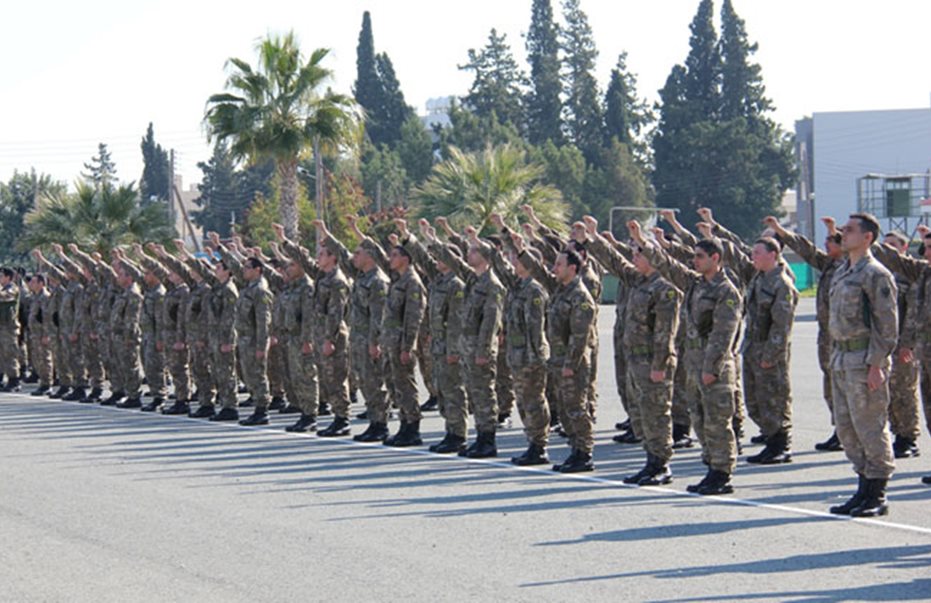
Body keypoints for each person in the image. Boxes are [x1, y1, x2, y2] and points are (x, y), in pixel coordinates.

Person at [639, 230, 743, 495]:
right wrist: (643, 243)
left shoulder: (726, 291)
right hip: (694, 363)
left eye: (699, 257)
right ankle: (711, 468)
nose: (694, 261)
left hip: (714, 367)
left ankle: (722, 472)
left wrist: (711, 368)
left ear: (715, 258)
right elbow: (668, 266)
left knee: (717, 422)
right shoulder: (696, 284)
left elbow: (723, 334)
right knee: (699, 418)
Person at [585, 218, 681, 485]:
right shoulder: (637, 280)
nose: (634, 257)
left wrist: (659, 365)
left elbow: (665, 332)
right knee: (642, 413)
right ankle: (650, 460)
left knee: (657, 413)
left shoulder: (665, 288)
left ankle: (661, 464)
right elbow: (614, 261)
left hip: (653, 361)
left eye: (640, 253)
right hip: (635, 359)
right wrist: (593, 238)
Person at [827, 213, 898, 517]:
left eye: (851, 230)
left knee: (870, 426)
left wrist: (877, 365)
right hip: (842, 359)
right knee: (847, 428)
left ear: (868, 237)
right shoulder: (844, 271)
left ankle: (877, 493)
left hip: (864, 360)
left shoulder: (875, 274)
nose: (843, 233)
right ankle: (863, 486)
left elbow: (887, 324)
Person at [765, 215, 846, 451]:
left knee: (843, 386)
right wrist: (779, 230)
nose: (826, 244)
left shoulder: (848, 266)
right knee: (830, 385)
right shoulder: (829, 264)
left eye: (832, 240)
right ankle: (840, 429)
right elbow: (806, 249)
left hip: (842, 337)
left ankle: (848, 431)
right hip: (827, 336)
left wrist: (834, 229)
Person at [427, 219, 505, 459]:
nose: (468, 254)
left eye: (473, 251)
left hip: (480, 351)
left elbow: (490, 322)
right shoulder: (474, 280)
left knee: (484, 395)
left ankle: (487, 439)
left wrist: (483, 350)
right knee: (474, 392)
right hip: (468, 349)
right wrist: (432, 240)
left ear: (485, 257)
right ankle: (470, 437)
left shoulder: (493, 285)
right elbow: (454, 262)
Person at [517, 240, 597, 473]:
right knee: (564, 409)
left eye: (559, 264)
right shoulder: (560, 290)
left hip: (573, 363)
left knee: (576, 409)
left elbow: (579, 336)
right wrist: (521, 249)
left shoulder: (580, 296)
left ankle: (584, 453)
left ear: (572, 268)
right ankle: (575, 450)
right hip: (558, 361)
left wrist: (570, 364)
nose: (554, 268)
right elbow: (539, 271)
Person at [742, 236, 799, 465]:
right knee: (755, 400)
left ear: (772, 255)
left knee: (774, 399)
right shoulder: (758, 279)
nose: (752, 256)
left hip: (769, 351)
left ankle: (779, 445)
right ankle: (769, 438)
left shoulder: (781, 284)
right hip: (752, 347)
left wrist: (770, 355)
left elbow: (782, 325)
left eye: (757, 253)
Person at [236, 257, 274, 426]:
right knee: (250, 375)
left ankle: (262, 410)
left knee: (258, 375)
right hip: (244, 338)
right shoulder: (249, 288)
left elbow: (263, 320)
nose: (244, 270)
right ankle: (257, 407)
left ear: (258, 269)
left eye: (248, 267)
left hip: (254, 340)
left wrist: (261, 345)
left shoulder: (260, 290)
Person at [0, 267, 21, 391]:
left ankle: (14, 381)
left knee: (10, 354)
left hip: (9, 328)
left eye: (1, 276)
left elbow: (5, 296)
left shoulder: (12, 288)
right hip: (1, 326)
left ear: (8, 277)